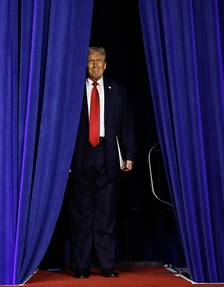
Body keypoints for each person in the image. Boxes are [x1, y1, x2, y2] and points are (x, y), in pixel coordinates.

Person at [68, 46, 136, 279]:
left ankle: (107, 265)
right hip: (81, 155)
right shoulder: (74, 91)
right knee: (81, 214)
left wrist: (129, 155)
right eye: (90, 61)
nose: (95, 65)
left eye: (99, 61)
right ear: (85, 65)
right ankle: (82, 266)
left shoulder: (117, 90)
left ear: (106, 65)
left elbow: (127, 124)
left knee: (106, 215)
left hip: (107, 155)